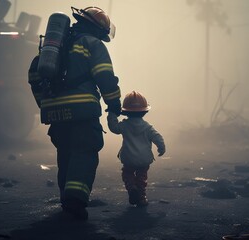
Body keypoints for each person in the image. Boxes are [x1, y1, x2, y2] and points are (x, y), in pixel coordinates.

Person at [28, 6, 121, 220]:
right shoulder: (92, 44)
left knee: (66, 154)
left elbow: (35, 74)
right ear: (98, 29)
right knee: (84, 152)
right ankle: (75, 201)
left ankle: (66, 199)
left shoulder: (55, 47)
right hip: (82, 111)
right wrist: (114, 105)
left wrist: (45, 105)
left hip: (55, 113)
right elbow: (105, 76)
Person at [107, 91, 166, 206]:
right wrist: (161, 148)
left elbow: (113, 127)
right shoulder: (148, 128)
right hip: (144, 159)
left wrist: (112, 113)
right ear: (145, 112)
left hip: (128, 158)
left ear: (125, 111)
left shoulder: (124, 125)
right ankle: (142, 197)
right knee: (142, 177)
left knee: (127, 174)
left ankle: (131, 187)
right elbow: (157, 137)